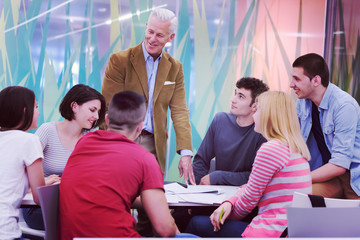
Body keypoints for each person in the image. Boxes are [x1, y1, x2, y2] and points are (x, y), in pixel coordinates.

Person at [186, 91, 312, 237]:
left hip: (271, 231)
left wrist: (223, 217)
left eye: (257, 109)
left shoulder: (271, 149)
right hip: (285, 230)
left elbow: (248, 201)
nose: (254, 115)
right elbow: (251, 186)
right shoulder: (294, 148)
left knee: (195, 223)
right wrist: (230, 202)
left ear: (268, 115)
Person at [58, 91, 179, 239]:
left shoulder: (83, 143)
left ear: (107, 120)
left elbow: (104, 192)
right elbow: (166, 229)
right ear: (140, 127)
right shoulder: (145, 159)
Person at [101, 8, 194, 185]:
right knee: (118, 194)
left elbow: (180, 111)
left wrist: (186, 153)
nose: (152, 39)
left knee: (151, 198)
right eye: (150, 31)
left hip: (154, 143)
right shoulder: (120, 61)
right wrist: (114, 143)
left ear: (171, 38)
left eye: (159, 35)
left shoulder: (175, 68)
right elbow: (109, 106)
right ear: (145, 28)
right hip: (122, 138)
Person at [23, 84, 106, 230]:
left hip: (74, 205)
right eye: (92, 110)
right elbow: (19, 175)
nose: (97, 117)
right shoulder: (47, 131)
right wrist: (44, 183)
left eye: (98, 112)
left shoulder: (90, 138)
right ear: (74, 106)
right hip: (39, 207)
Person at [290, 53, 360, 199]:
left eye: (297, 79)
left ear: (316, 80)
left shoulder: (344, 106)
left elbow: (340, 164)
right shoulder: (302, 102)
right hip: (325, 174)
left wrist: (299, 178)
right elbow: (293, 143)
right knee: (294, 196)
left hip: (352, 179)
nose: (291, 84)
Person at [193, 77, 268, 186]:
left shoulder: (261, 132)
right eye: (235, 94)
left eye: (241, 97)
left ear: (254, 106)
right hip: (215, 193)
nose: (233, 100)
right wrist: (196, 189)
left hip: (244, 194)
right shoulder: (220, 120)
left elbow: (256, 176)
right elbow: (200, 161)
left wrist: (218, 177)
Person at [0, 86, 45, 239]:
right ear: (25, 111)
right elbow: (40, 197)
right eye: (36, 107)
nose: (38, 113)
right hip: (5, 232)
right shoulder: (29, 140)